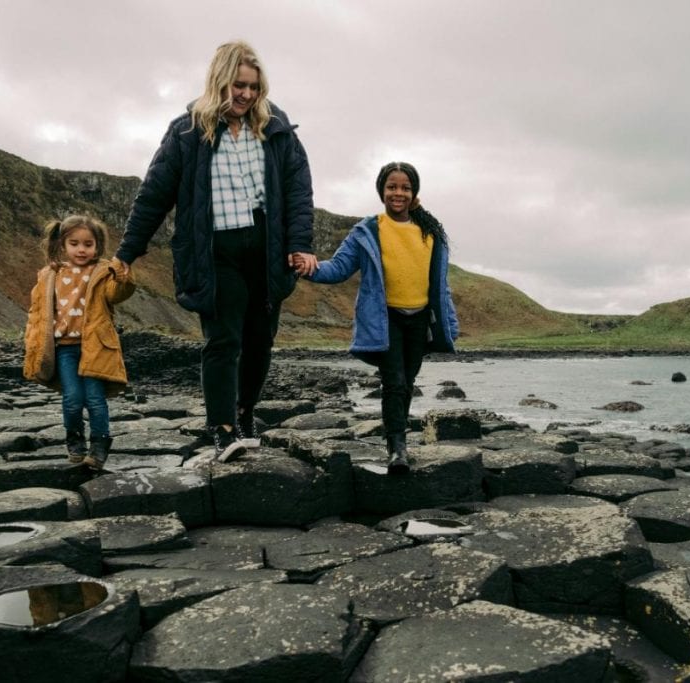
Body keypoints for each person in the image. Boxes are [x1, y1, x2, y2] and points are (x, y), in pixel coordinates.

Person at [114, 40, 317, 462]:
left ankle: (245, 413)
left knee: (260, 340)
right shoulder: (186, 131)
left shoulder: (275, 127)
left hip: (266, 249)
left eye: (253, 88)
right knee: (224, 339)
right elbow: (153, 196)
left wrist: (299, 245)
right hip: (215, 251)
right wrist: (126, 253)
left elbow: (298, 189)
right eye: (238, 85)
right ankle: (222, 429)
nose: (245, 95)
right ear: (219, 80)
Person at [299, 162, 459, 473]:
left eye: (405, 188)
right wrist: (310, 267)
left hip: (420, 320)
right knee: (394, 382)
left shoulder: (430, 233)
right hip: (386, 320)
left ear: (414, 193)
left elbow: (442, 285)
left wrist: (450, 323)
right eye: (392, 187)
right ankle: (397, 448)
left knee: (407, 382)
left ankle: (400, 442)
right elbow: (338, 268)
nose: (398, 193)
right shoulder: (367, 231)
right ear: (381, 191)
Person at [23, 215, 136, 470]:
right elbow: (37, 312)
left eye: (88, 244)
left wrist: (123, 277)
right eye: (74, 243)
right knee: (72, 398)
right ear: (63, 245)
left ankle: (99, 445)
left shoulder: (103, 271)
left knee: (95, 399)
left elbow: (117, 294)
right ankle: (75, 442)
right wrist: (32, 343)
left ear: (97, 246)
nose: (82, 249)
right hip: (64, 349)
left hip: (94, 346)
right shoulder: (48, 275)